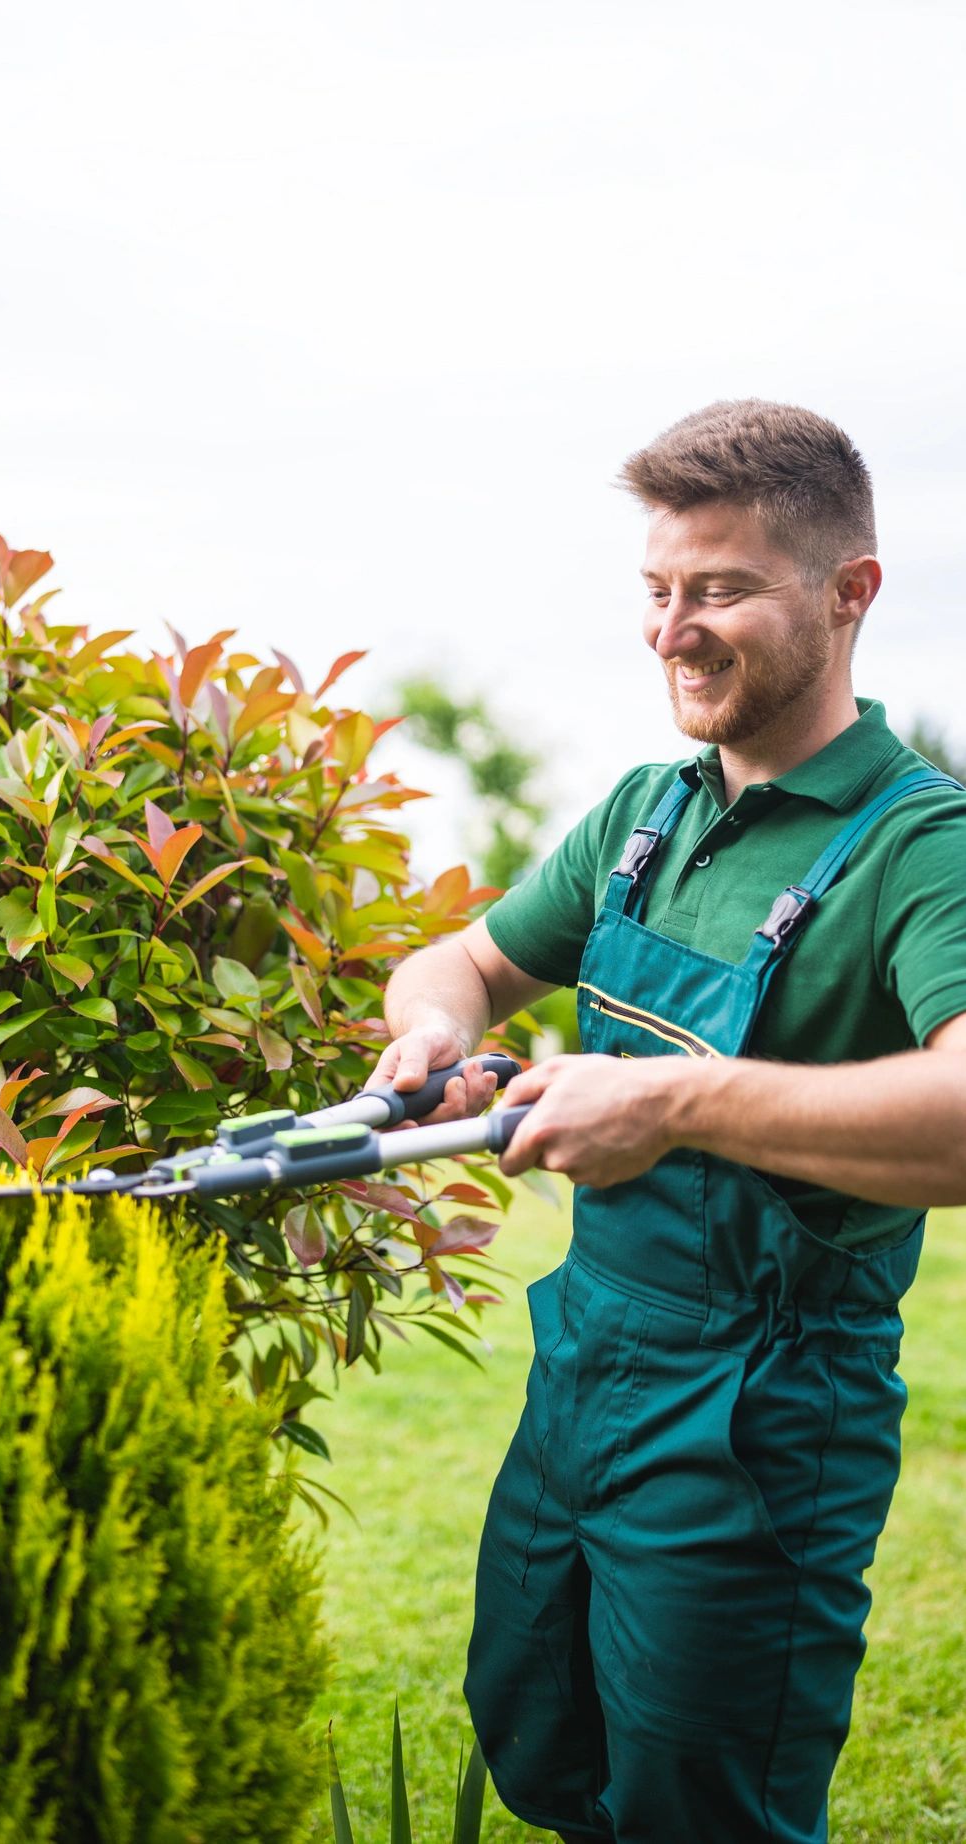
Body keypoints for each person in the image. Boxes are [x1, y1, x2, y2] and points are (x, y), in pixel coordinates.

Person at [371, 399, 966, 1844]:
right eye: (655, 591)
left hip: (764, 1414)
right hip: (585, 1372)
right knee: (540, 1742)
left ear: (848, 593)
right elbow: (461, 959)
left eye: (717, 590)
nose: (671, 629)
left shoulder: (918, 846)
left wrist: (669, 1098)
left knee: (703, 1803)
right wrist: (434, 1031)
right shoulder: (643, 815)